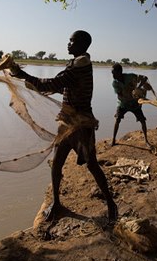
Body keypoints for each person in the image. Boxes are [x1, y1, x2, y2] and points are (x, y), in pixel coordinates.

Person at [10, 30, 118, 223]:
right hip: (66, 123)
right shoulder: (76, 65)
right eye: (69, 40)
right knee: (57, 162)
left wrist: (21, 74)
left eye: (72, 41)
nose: (68, 44)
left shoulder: (80, 65)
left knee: (92, 165)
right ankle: (57, 204)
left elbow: (53, 83)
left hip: (81, 124)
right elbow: (63, 87)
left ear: (82, 45)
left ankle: (111, 204)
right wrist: (33, 83)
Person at [111, 63, 152, 147]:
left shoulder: (130, 76)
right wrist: (130, 94)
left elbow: (144, 78)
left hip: (134, 104)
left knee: (142, 121)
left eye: (114, 73)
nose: (113, 75)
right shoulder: (115, 83)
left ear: (120, 72)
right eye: (112, 73)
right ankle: (113, 140)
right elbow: (120, 95)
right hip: (123, 104)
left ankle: (146, 141)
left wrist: (138, 88)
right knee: (117, 119)